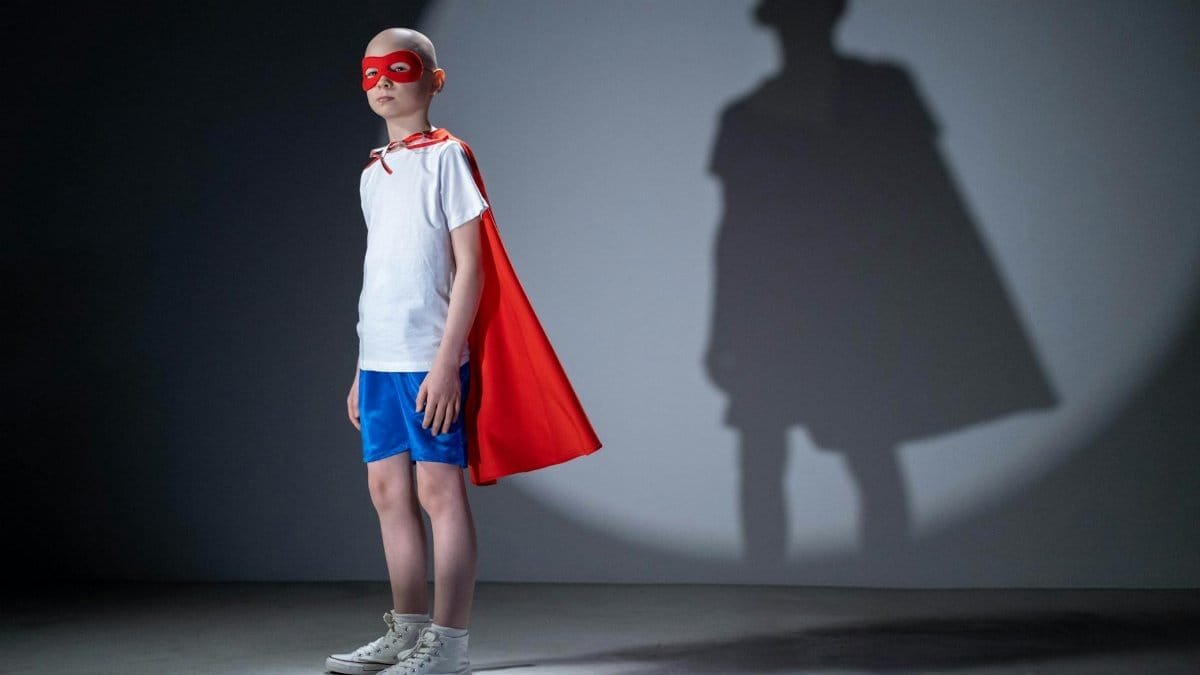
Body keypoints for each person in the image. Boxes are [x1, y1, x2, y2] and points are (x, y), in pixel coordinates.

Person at [326, 27, 601, 675]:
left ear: (434, 79)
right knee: (387, 490)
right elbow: (383, 275)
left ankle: (448, 642)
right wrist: (357, 369)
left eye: (398, 68)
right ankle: (407, 628)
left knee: (437, 491)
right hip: (380, 359)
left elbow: (470, 265)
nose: (383, 82)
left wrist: (449, 360)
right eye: (370, 73)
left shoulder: (448, 157)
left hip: (429, 355)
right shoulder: (373, 172)